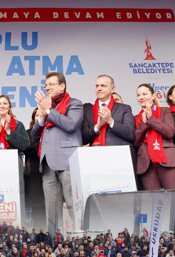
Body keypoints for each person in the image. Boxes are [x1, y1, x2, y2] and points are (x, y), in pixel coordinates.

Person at [30, 71, 83, 233]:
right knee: (51, 211)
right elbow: (34, 135)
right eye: (46, 85)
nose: (47, 88)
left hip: (67, 162)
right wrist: (40, 117)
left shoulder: (74, 103)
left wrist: (49, 110)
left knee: (75, 206)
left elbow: (71, 125)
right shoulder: (46, 106)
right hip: (47, 163)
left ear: (62, 86)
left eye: (51, 84)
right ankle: (52, 242)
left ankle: (81, 239)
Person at [133, 83, 175, 190]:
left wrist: (151, 119)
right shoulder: (135, 118)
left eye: (144, 94)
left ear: (153, 96)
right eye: (138, 95)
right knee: (154, 202)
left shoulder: (164, 111)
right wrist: (144, 123)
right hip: (147, 164)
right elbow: (135, 141)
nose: (141, 97)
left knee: (174, 198)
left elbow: (169, 133)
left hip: (167, 160)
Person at [81, 74, 135, 147]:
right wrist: (97, 127)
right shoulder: (87, 112)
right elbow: (83, 139)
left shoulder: (124, 109)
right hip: (95, 154)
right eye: (97, 86)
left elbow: (130, 135)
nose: (99, 89)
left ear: (112, 89)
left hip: (119, 154)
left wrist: (110, 121)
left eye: (103, 86)